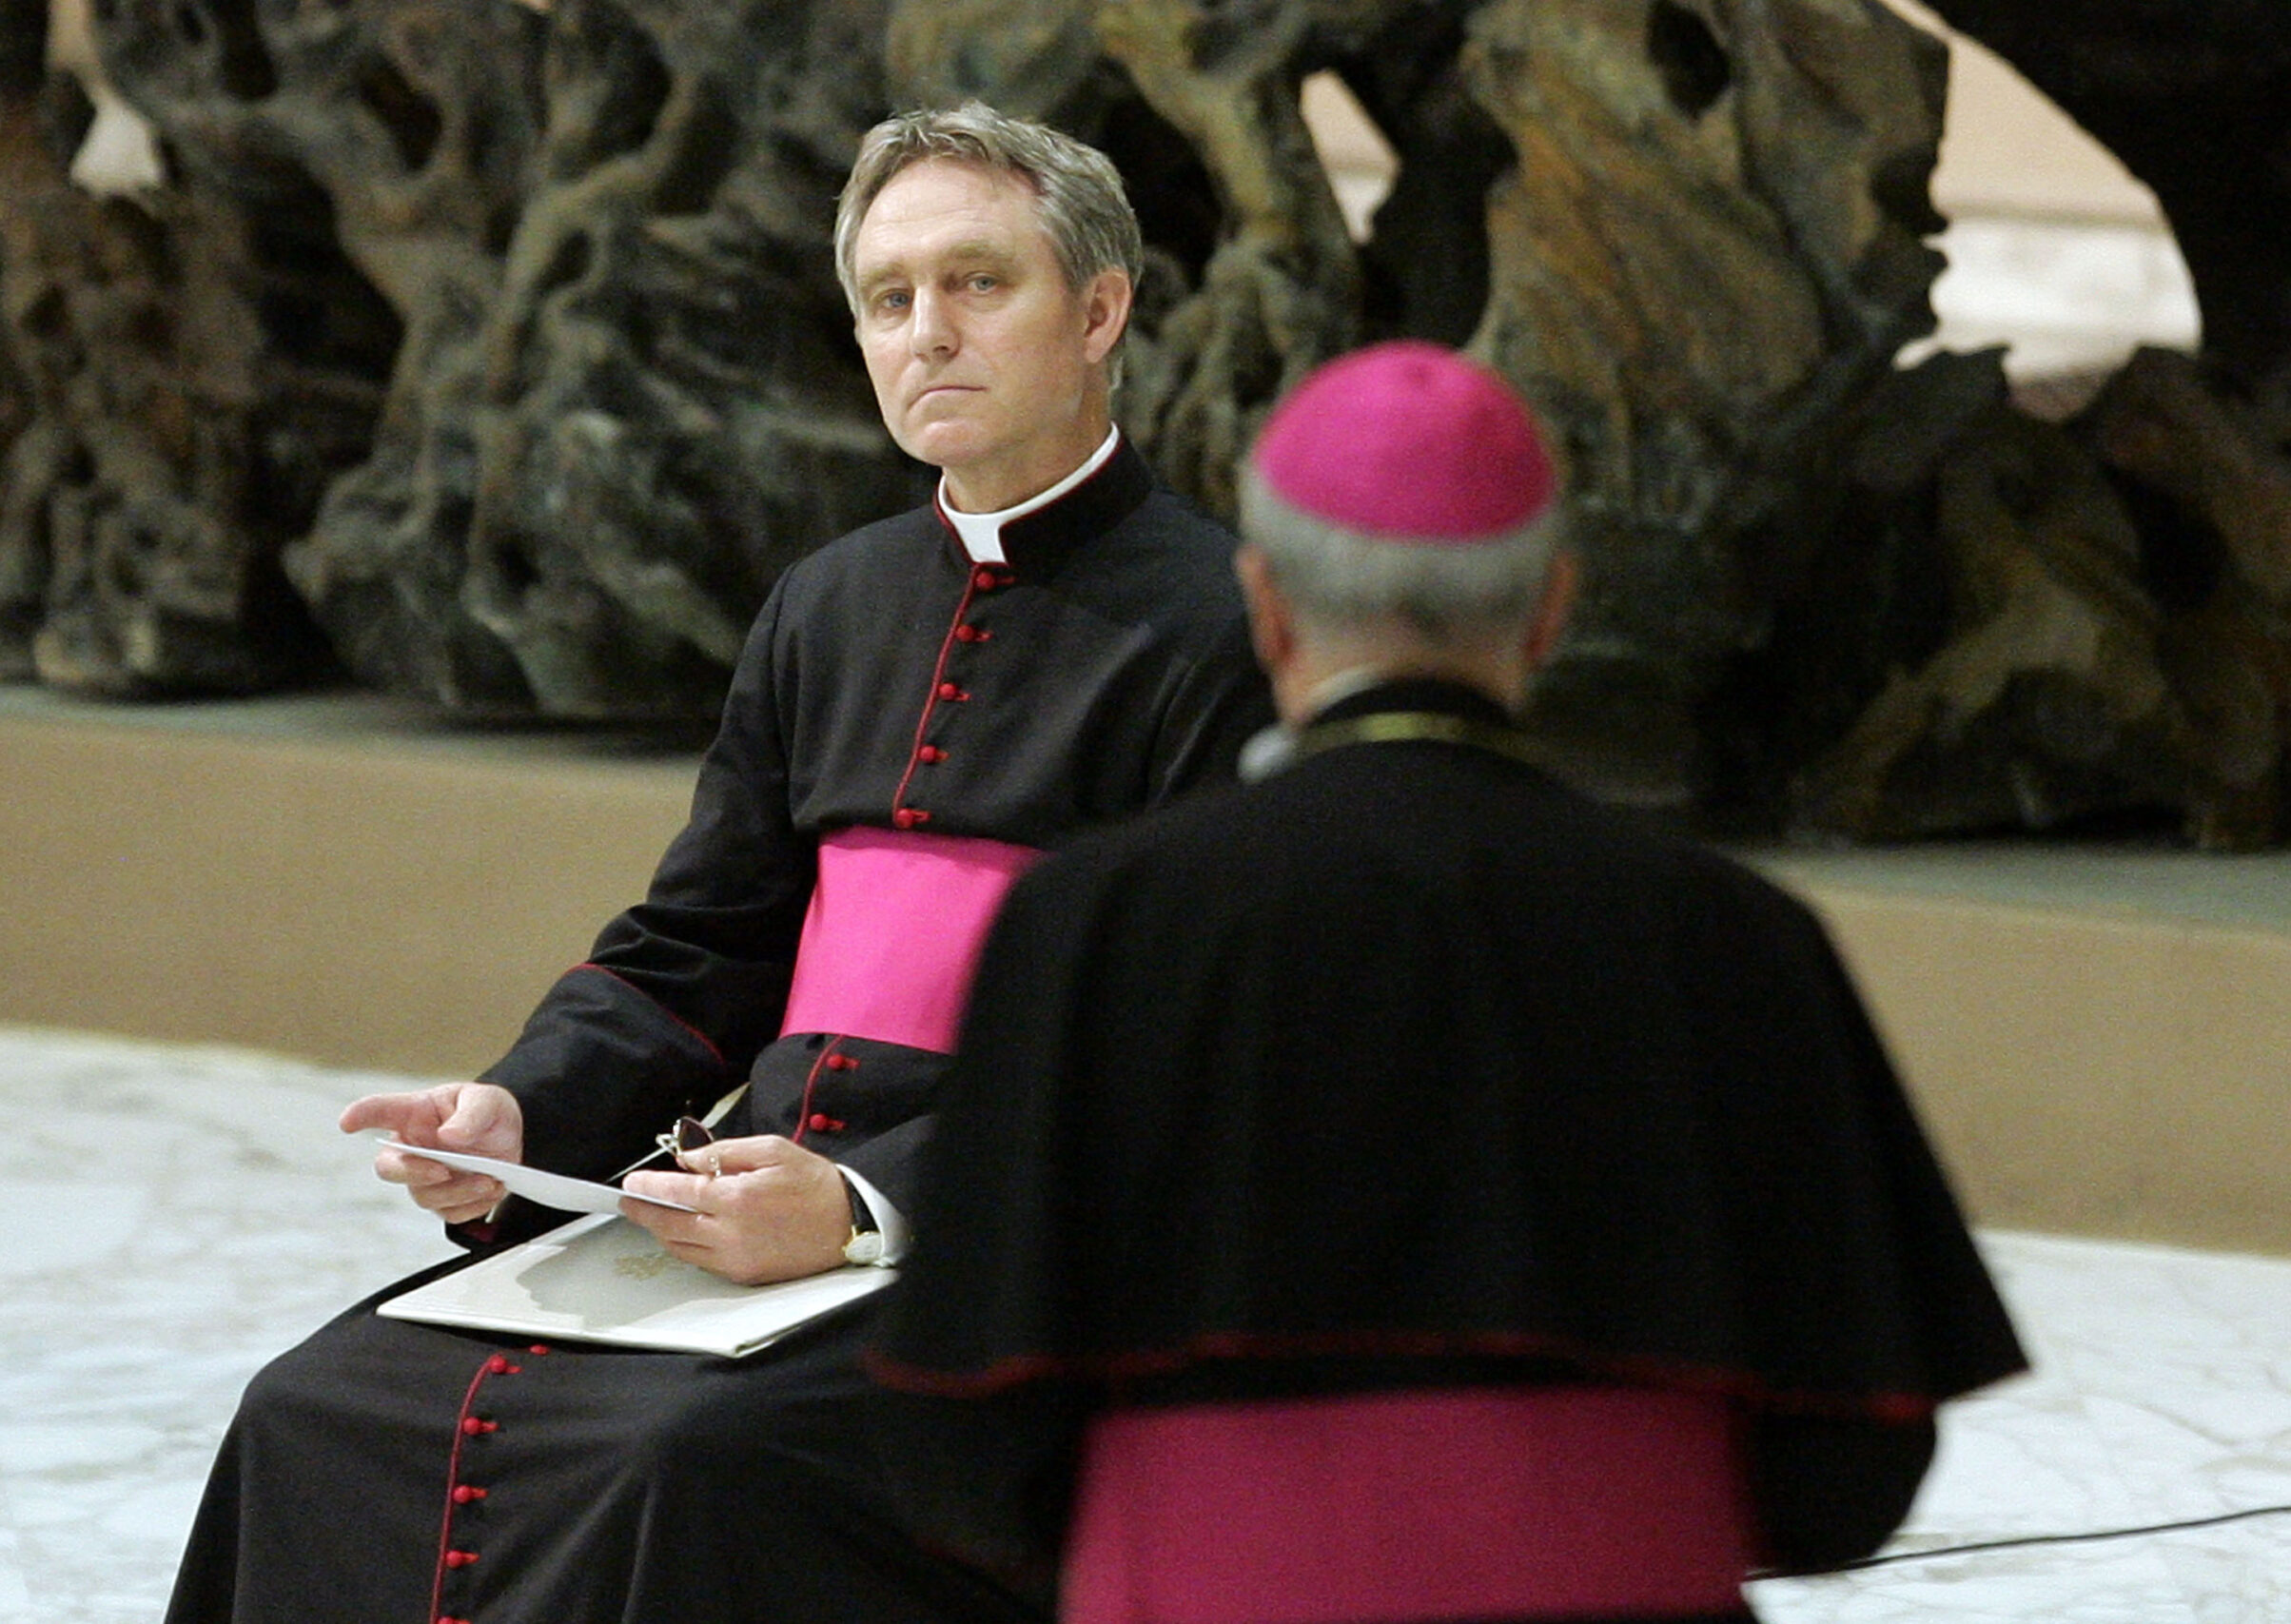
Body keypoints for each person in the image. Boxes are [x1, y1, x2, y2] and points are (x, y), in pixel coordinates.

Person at [165, 104, 1272, 1624]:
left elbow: (1193, 1064)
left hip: (1019, 1259)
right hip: (742, 1215)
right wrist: (517, 1112)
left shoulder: (1223, 628)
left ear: (1100, 310)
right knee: (315, 1408)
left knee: (686, 1457)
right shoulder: (828, 604)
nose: (925, 333)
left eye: (976, 284)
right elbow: (698, 951)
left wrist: (871, 1203)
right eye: (889, 299)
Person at [868, 341, 2029, 1624]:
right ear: (1552, 611)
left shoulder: (1093, 923)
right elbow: (1849, 1465)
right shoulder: (1737, 935)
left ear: (1265, 610)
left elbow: (964, 1454)